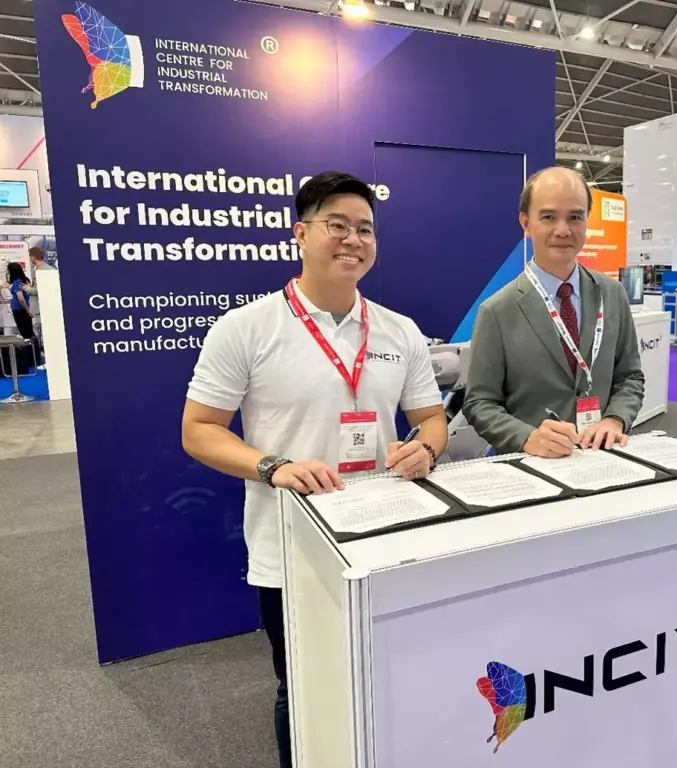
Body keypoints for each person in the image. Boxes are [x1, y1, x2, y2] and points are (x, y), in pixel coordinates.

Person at [181, 171, 447, 768]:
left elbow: (432, 420)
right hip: (293, 549)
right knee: (301, 689)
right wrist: (271, 465)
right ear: (301, 234)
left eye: (365, 229)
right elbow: (198, 430)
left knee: (391, 678)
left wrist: (426, 449)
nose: (353, 239)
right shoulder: (247, 328)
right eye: (337, 225)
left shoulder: (399, 330)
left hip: (386, 536)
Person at [463, 166, 644, 457]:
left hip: (603, 456)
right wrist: (526, 437)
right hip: (534, 464)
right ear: (526, 223)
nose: (563, 230)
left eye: (575, 217)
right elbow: (479, 403)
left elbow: (630, 377)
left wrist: (615, 418)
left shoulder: (612, 294)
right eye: (548, 217)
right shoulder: (497, 311)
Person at [22, 247, 53, 352]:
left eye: (30, 256)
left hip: (41, 309)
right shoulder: (44, 269)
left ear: (33, 257)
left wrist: (26, 288)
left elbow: (40, 291)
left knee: (42, 337)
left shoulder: (42, 270)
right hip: (41, 309)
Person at [5, 262, 35, 342]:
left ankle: (30, 348)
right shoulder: (24, 280)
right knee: (28, 330)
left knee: (25, 332)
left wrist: (27, 310)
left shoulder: (17, 282)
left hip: (20, 309)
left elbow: (20, 298)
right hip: (23, 307)